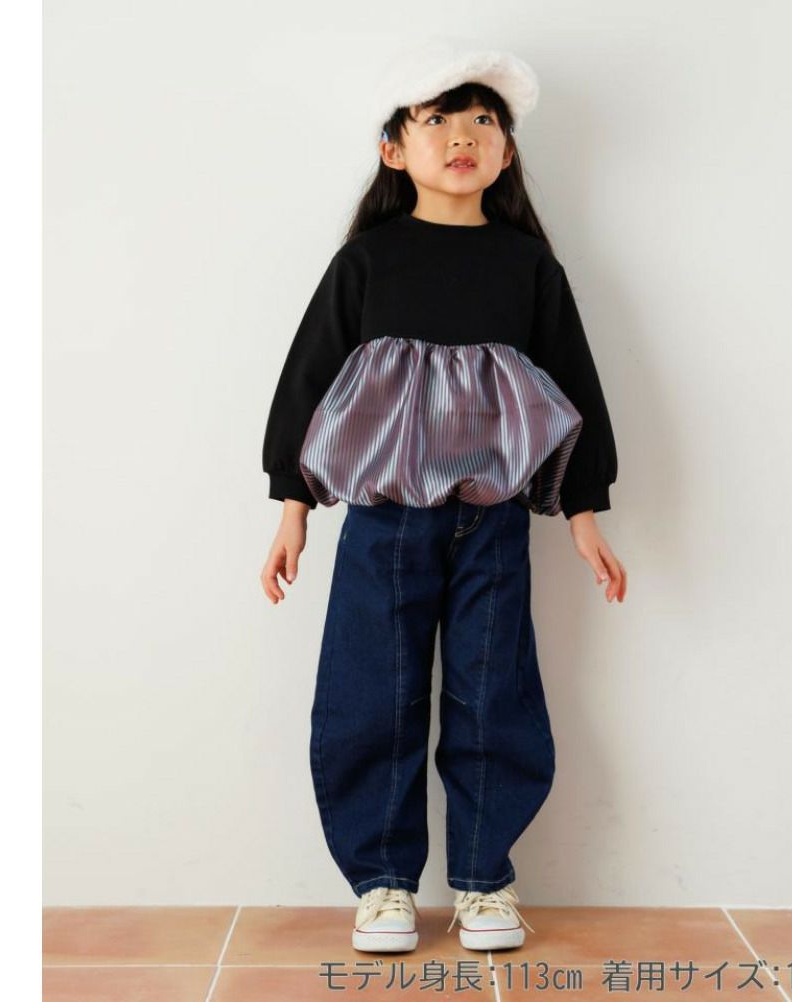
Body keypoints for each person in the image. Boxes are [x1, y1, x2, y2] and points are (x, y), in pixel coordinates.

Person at [260, 39, 627, 954]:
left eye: (483, 121)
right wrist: (292, 506)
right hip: (383, 523)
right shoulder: (368, 263)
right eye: (438, 120)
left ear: (505, 152)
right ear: (394, 148)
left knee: (492, 691)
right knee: (370, 693)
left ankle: (482, 877)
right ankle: (382, 881)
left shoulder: (527, 267)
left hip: (492, 523)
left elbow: (573, 385)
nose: (462, 136)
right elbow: (309, 380)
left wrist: (584, 513)